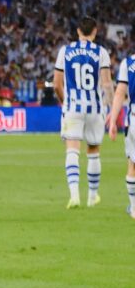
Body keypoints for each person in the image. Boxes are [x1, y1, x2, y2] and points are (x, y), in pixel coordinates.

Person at [53, 16, 112, 209]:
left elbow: (56, 84)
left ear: (78, 31)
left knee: (72, 149)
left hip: (72, 107)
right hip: (95, 108)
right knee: (93, 150)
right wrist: (110, 107)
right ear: (94, 31)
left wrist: (65, 102)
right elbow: (106, 83)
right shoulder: (101, 52)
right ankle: (92, 197)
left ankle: (74, 195)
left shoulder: (65, 51)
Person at [107, 49, 135, 219]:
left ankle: (133, 207)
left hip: (133, 120)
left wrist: (112, 121)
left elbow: (120, 93)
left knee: (132, 164)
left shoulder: (128, 63)